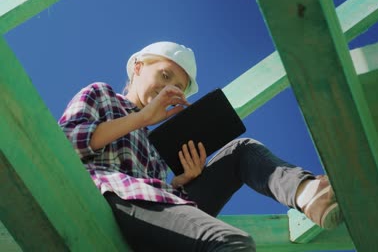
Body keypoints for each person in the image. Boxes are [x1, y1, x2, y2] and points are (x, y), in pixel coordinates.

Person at [59, 41, 343, 251]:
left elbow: (165, 210)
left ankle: (309, 194)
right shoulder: (102, 94)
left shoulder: (155, 145)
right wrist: (142, 117)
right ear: (138, 67)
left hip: (152, 214)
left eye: (180, 87)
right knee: (232, 243)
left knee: (241, 150)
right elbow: (69, 143)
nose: (171, 88)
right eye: (166, 75)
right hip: (113, 198)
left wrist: (184, 181)